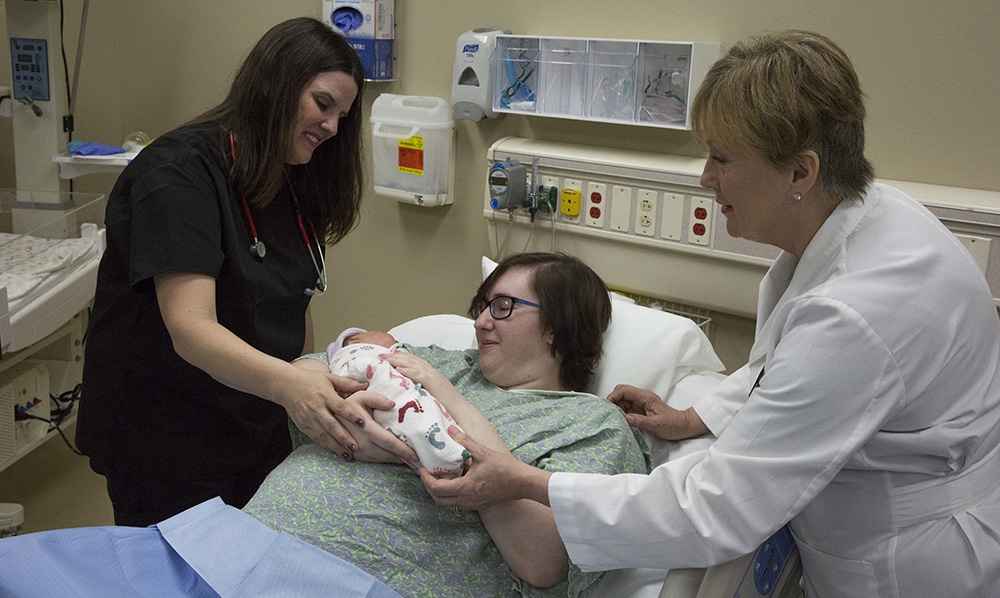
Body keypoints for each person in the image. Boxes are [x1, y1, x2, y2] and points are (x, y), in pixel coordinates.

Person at [421, 30, 1000, 598]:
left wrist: (526, 482)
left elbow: (717, 507)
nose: (705, 178)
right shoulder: (863, 215)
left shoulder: (860, 310)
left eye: (722, 158)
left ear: (801, 171)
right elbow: (788, 367)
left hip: (907, 560)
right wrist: (699, 415)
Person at [76, 17, 413, 528]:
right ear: (276, 83)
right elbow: (191, 330)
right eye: (323, 104)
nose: (332, 127)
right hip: (165, 432)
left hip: (255, 420)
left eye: (342, 115)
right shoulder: (178, 173)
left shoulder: (294, 178)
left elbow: (292, 299)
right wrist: (291, 386)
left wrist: (312, 374)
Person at [243, 252, 650, 598]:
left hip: (362, 579)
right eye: (483, 306)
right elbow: (323, 363)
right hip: (244, 543)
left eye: (503, 307)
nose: (480, 322)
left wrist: (445, 398)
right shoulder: (440, 359)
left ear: (557, 325)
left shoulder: (592, 424)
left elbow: (542, 560)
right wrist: (339, 408)